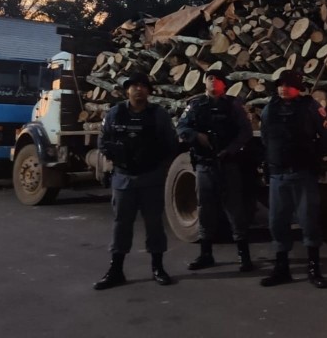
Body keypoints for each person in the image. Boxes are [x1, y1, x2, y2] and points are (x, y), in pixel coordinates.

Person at [94, 72, 177, 290]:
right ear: (127, 90)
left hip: (151, 176)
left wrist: (156, 162)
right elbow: (103, 141)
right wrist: (119, 157)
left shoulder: (158, 115)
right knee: (121, 224)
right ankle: (116, 269)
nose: (138, 89)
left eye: (143, 86)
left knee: (154, 224)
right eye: (134, 86)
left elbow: (170, 143)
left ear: (149, 91)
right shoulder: (115, 113)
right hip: (124, 177)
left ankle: (158, 267)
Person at [259, 70, 327, 288]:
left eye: (288, 84)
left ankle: (314, 269)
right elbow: (265, 137)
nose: (283, 88)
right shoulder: (269, 108)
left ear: (298, 87)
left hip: (303, 173)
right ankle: (281, 268)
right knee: (277, 222)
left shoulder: (310, 107)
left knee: (309, 221)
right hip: (278, 174)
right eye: (280, 84)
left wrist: (313, 156)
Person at [177, 69, 254, 272]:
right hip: (204, 164)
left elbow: (245, 131)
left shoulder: (233, 105)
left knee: (235, 209)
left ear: (224, 84)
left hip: (228, 163)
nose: (212, 82)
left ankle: (243, 255)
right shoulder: (195, 105)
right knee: (205, 208)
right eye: (209, 78)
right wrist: (197, 136)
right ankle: (206, 254)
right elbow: (182, 128)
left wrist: (230, 150)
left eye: (217, 79)